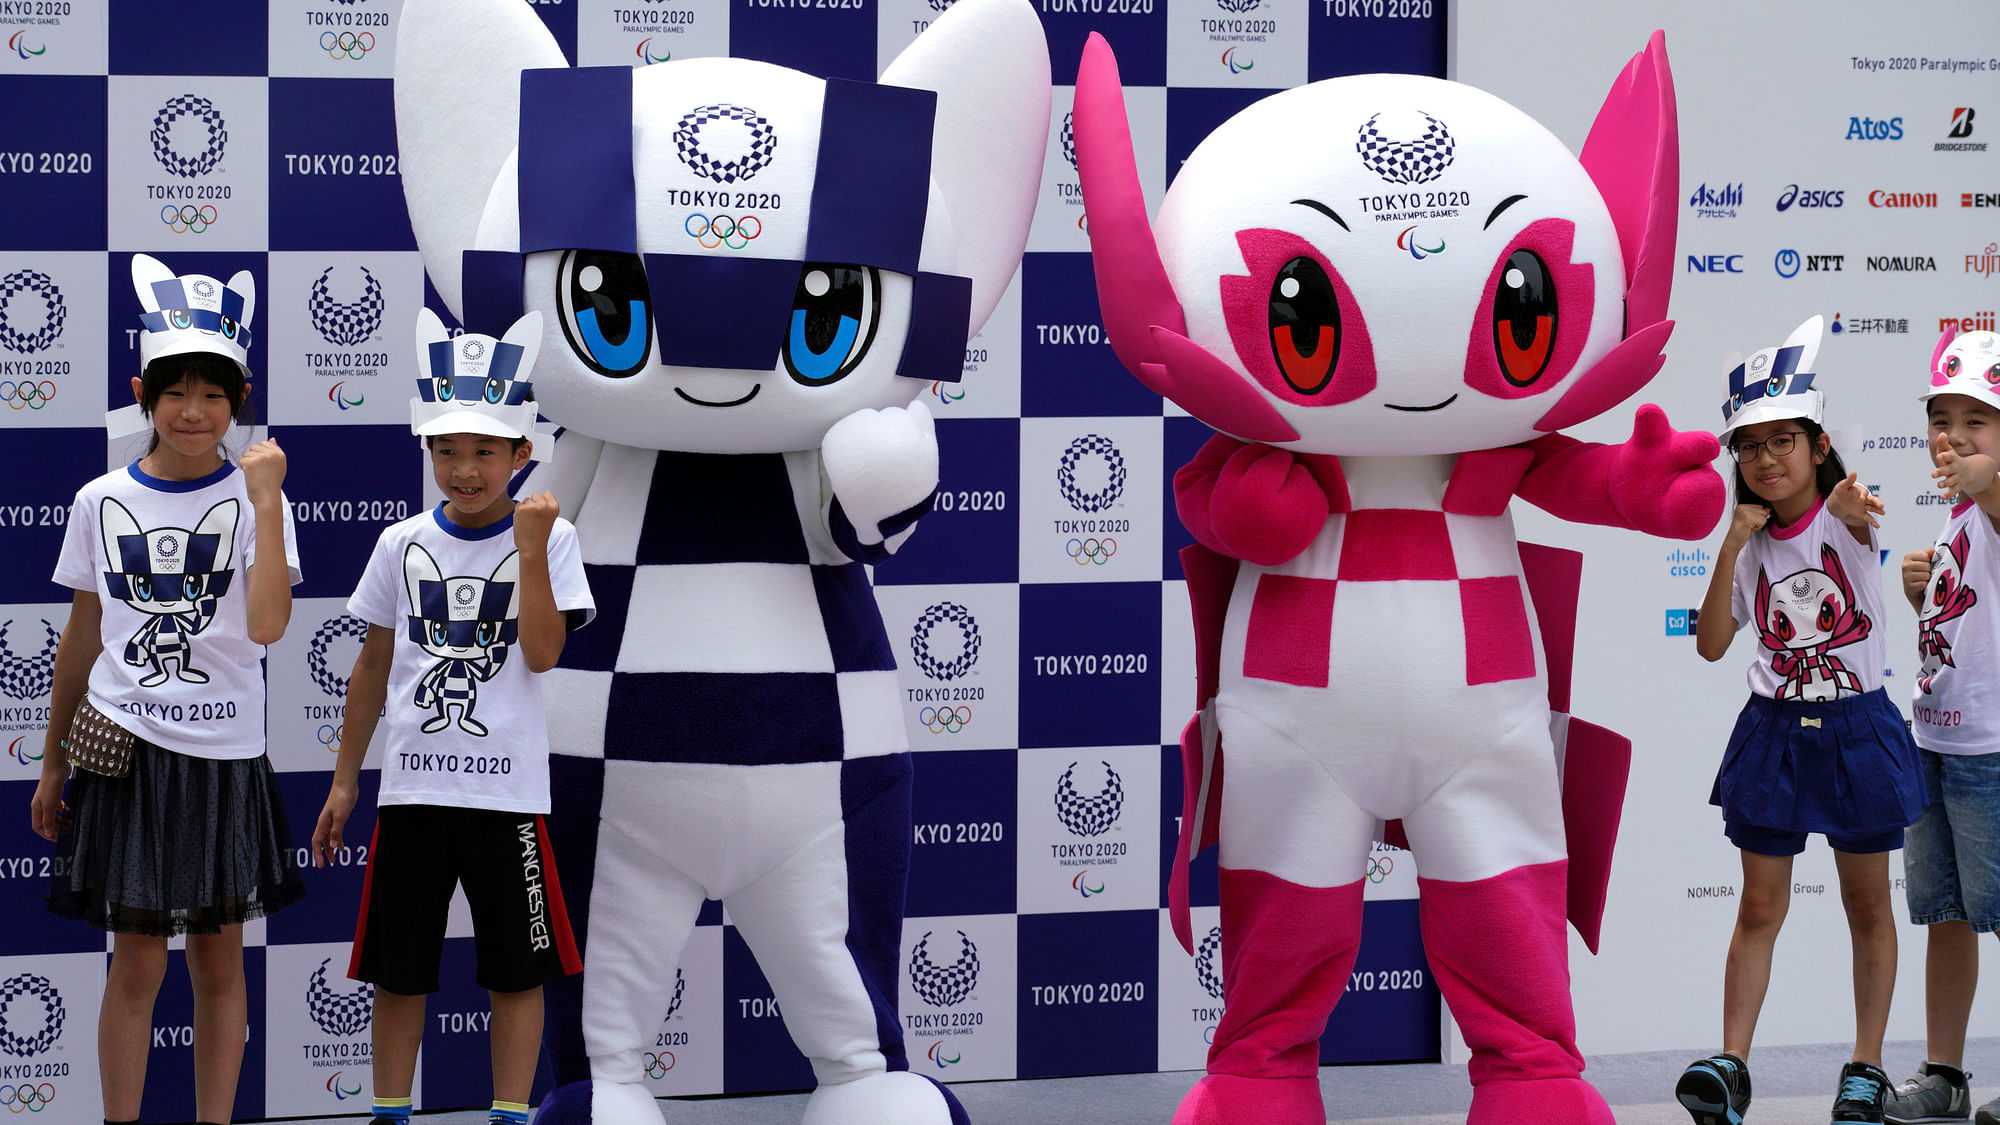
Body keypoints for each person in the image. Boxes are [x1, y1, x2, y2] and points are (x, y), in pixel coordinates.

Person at [31, 254, 303, 1125]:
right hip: (127, 755)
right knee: (137, 965)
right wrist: (48, 764)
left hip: (225, 758)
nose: (195, 412)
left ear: (239, 398)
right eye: (177, 390)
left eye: (215, 394)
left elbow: (266, 627)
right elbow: (82, 637)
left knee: (220, 965)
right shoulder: (99, 497)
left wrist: (262, 503)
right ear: (144, 391)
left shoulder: (261, 498)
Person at [312, 308, 592, 1125]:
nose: (463, 468)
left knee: (516, 971)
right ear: (428, 451)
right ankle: (389, 1114)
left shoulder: (554, 537)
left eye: (482, 451)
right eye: (445, 450)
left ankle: (510, 1114)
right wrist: (342, 779)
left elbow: (542, 654)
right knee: (399, 972)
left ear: (520, 453)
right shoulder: (400, 543)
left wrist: (532, 551)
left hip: (508, 798)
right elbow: (370, 665)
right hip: (414, 797)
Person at [1675, 316, 1925, 1125]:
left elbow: (1858, 516)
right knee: (1756, 906)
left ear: (1819, 446)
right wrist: (1729, 542)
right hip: (1773, 731)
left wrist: (1853, 507)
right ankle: (1730, 1067)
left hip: (1856, 728)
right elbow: (1713, 644)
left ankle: (1865, 1068)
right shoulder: (1748, 542)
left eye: (1784, 440)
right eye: (1749, 446)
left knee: (1867, 906)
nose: (1765, 459)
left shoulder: (1848, 515)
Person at [1882, 329, 2000, 1125]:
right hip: (1936, 740)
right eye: (1941, 419)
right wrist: (1918, 586)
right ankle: (1946, 1075)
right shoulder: (1960, 510)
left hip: (1992, 751)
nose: (1952, 437)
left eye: (1976, 421)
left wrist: (1981, 480)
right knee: (1946, 914)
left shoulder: (1990, 500)